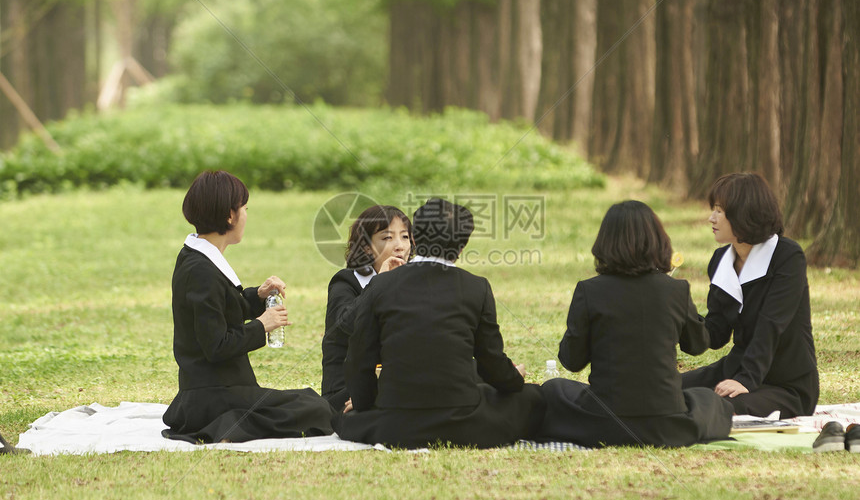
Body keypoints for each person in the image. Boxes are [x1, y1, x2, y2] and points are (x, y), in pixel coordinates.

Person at [340, 198, 544, 449]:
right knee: (533, 397)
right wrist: (514, 380)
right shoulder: (476, 287)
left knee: (346, 420)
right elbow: (491, 363)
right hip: (461, 422)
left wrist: (365, 406)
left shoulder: (381, 284)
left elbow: (359, 359)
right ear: (462, 245)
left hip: (396, 424)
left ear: (414, 239)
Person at [539, 201, 732, 447]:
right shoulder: (674, 289)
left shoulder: (589, 290)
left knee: (553, 389)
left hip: (604, 423)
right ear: (658, 241)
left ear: (604, 243)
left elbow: (571, 360)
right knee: (708, 399)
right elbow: (697, 344)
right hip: (666, 425)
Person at [163, 170, 332, 443]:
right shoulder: (201, 271)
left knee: (308, 399)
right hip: (214, 396)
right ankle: (226, 426)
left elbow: (221, 310)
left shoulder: (197, 258)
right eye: (244, 208)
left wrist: (259, 295)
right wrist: (262, 325)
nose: (245, 215)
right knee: (316, 409)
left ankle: (232, 422)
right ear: (230, 215)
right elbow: (216, 346)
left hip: (218, 389)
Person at [681, 171, 818, 418]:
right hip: (736, 370)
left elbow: (771, 325)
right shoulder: (720, 260)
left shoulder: (787, 256)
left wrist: (746, 379)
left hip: (786, 385)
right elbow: (716, 333)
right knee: (669, 390)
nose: (711, 218)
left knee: (714, 407)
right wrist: (679, 318)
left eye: (719, 211)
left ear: (744, 214)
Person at [321, 204, 414, 412]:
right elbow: (346, 323)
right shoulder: (345, 283)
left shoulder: (414, 283)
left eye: (405, 237)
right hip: (348, 392)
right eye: (387, 238)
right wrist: (379, 283)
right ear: (365, 247)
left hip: (398, 385)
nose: (400, 246)